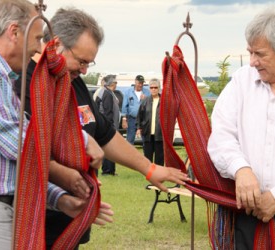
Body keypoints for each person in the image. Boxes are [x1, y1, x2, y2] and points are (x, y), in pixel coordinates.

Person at [0, 1, 108, 249]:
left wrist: (59, 199)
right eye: (37, 39)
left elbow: (9, 167)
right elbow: (14, 140)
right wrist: (80, 142)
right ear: (14, 32)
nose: (38, 48)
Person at [17, 7, 189, 249]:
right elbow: (22, 152)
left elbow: (105, 135)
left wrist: (149, 168)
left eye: (90, 62)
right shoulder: (23, 84)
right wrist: (64, 181)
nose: (85, 70)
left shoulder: (73, 82)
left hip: (70, 220)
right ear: (55, 45)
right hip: (35, 220)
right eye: (82, 61)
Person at [207, 7, 275, 249]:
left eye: (259, 54)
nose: (252, 62)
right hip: (244, 214)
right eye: (250, 52)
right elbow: (220, 135)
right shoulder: (242, 81)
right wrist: (241, 169)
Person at [95, 74, 120, 175]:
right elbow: (108, 111)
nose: (116, 84)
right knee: (110, 148)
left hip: (109, 125)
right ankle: (107, 170)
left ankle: (110, 170)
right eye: (115, 82)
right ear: (112, 83)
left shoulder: (107, 92)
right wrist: (110, 126)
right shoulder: (107, 93)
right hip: (108, 126)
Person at [136, 78, 164, 165]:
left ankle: (159, 173)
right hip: (147, 133)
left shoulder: (164, 101)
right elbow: (139, 115)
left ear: (159, 88)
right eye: (151, 87)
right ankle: (149, 173)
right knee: (147, 155)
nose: (153, 89)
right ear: (149, 89)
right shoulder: (145, 101)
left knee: (159, 156)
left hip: (160, 133)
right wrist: (138, 128)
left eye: (155, 87)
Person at [122, 75, 150, 144]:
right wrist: (124, 120)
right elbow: (124, 106)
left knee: (145, 140)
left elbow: (151, 104)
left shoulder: (147, 92)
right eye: (139, 83)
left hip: (144, 119)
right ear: (135, 82)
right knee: (130, 139)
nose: (140, 85)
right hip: (132, 119)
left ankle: (146, 154)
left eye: (142, 83)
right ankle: (129, 154)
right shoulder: (128, 92)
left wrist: (146, 99)